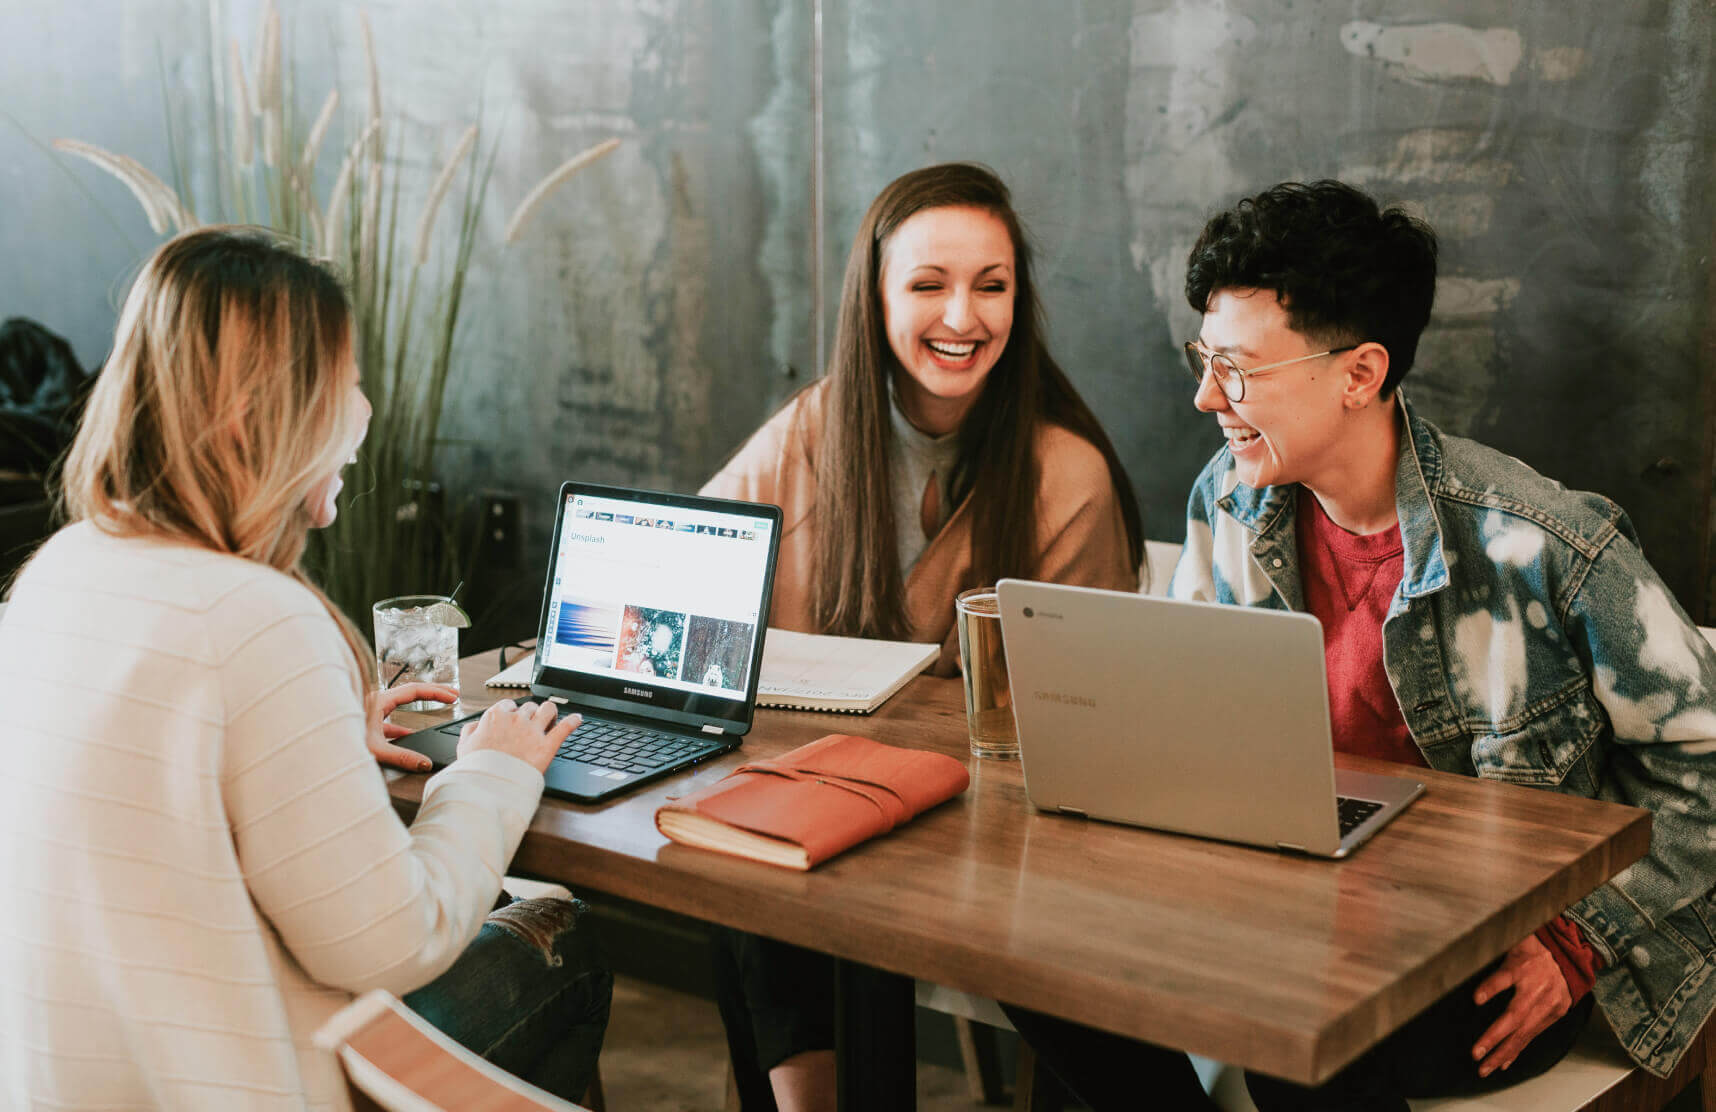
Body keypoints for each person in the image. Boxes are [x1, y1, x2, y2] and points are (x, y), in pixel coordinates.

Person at [1007, 180, 1716, 1111]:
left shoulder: (1541, 544)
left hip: (1490, 942)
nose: (1203, 396)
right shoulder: (1229, 499)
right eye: (1204, 359)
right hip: (1296, 903)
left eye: (1238, 369)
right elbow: (1190, 739)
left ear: (1359, 373)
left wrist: (1578, 936)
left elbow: (1703, 764)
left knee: (1300, 1026)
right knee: (1038, 965)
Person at [0, 227, 611, 1109]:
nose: (363, 412)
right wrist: (488, 774)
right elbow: (394, 942)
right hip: (234, 1083)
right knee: (566, 936)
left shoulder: (58, 570)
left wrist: (316, 736)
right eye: (347, 382)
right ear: (265, 410)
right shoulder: (259, 619)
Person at [702, 162, 1145, 1110]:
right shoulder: (816, 428)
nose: (964, 316)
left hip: (991, 837)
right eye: (928, 284)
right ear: (875, 297)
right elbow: (699, 568)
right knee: (740, 859)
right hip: (821, 804)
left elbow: (1081, 722)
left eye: (992, 286)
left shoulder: (1066, 476)